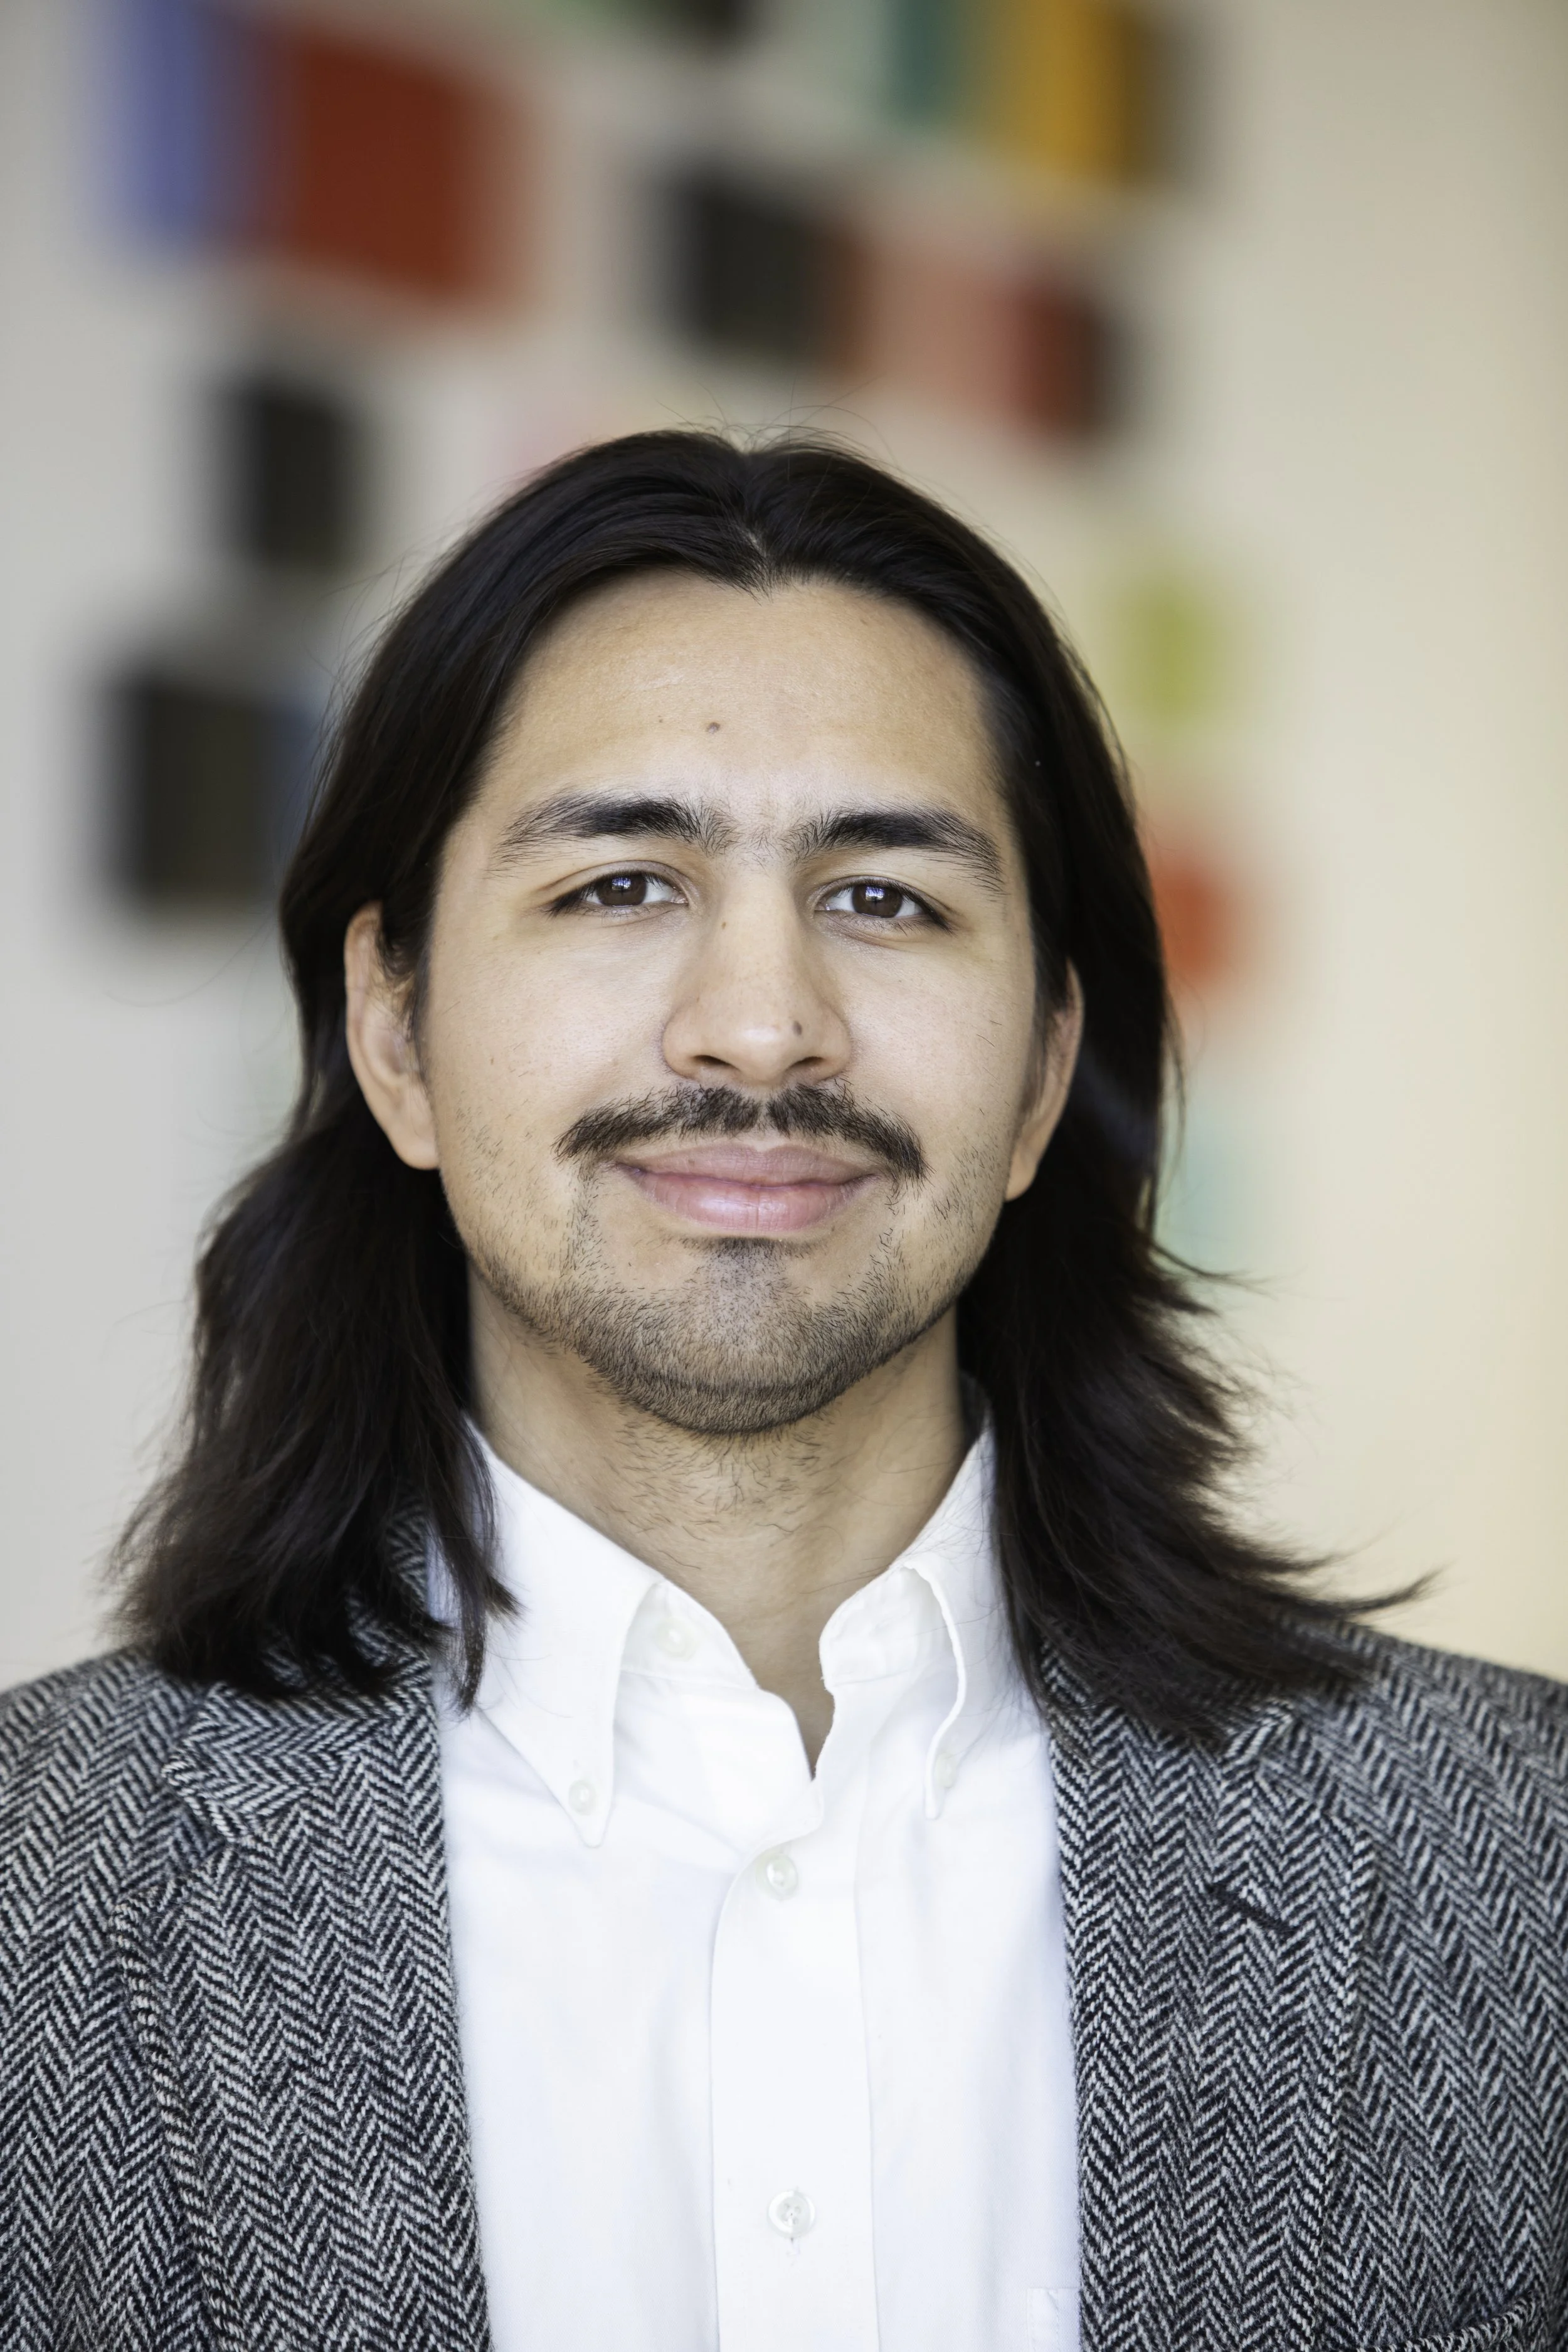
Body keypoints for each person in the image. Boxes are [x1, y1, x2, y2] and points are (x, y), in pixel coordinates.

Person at [2, 431, 1564, 2352]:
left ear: (1041, 1065)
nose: (759, 1022)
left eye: (886, 898)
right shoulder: (38, 1891)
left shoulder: (1513, 1862)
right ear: (392, 1029)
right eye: (620, 883)